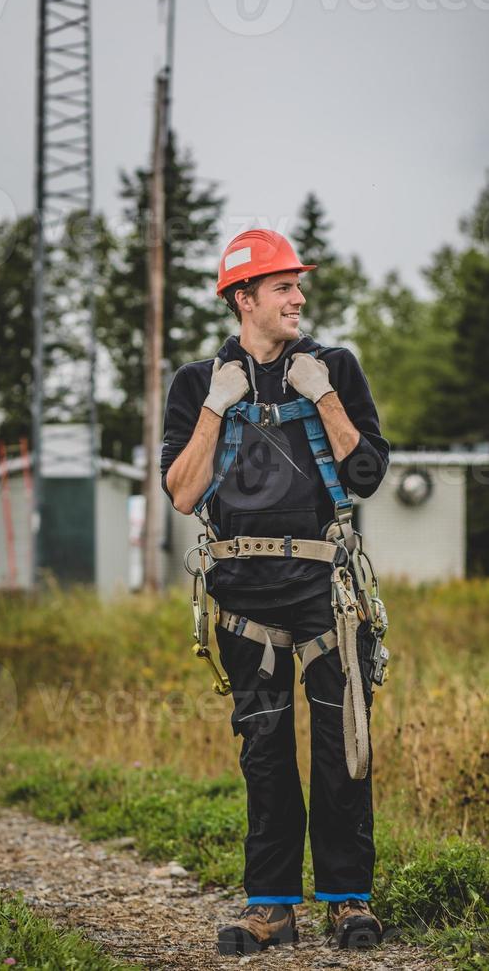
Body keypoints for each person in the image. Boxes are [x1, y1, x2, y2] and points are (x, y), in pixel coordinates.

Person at [160, 229, 390, 954]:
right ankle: (271, 907)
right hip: (241, 593)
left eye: (298, 285)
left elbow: (367, 475)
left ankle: (348, 899)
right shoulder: (198, 383)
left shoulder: (336, 367)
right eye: (284, 286)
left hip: (326, 587)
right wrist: (215, 408)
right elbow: (183, 491)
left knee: (341, 741)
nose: (299, 297)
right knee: (262, 749)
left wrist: (322, 396)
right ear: (243, 298)